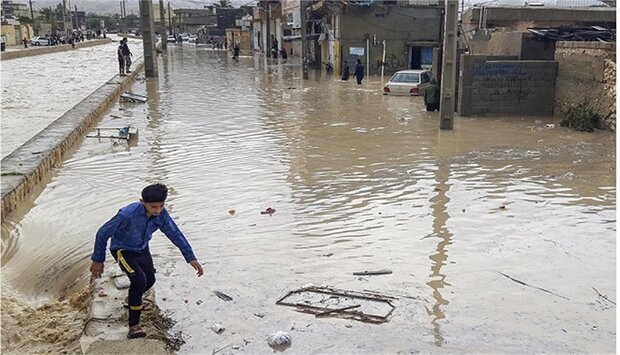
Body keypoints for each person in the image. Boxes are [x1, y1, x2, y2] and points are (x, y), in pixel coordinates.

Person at [89, 183, 204, 339]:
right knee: (138, 280)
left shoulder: (161, 215)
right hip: (123, 249)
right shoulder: (127, 215)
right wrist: (98, 260)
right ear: (142, 202)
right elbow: (102, 233)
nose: (157, 211)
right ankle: (134, 326)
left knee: (150, 279)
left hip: (142, 248)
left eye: (161, 206)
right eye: (153, 207)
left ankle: (132, 299)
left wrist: (190, 257)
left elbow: (175, 233)